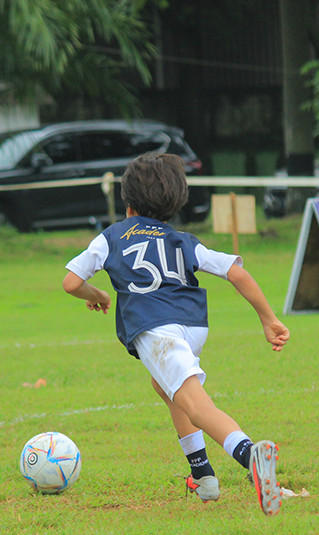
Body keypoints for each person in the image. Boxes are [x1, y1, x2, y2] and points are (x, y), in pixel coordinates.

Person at [62, 152, 290, 515]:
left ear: (128, 204)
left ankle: (252, 458)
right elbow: (236, 272)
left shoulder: (112, 236)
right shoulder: (183, 239)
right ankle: (203, 476)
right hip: (192, 325)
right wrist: (268, 319)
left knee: (197, 406)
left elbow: (72, 282)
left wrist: (99, 295)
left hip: (157, 330)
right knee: (165, 387)